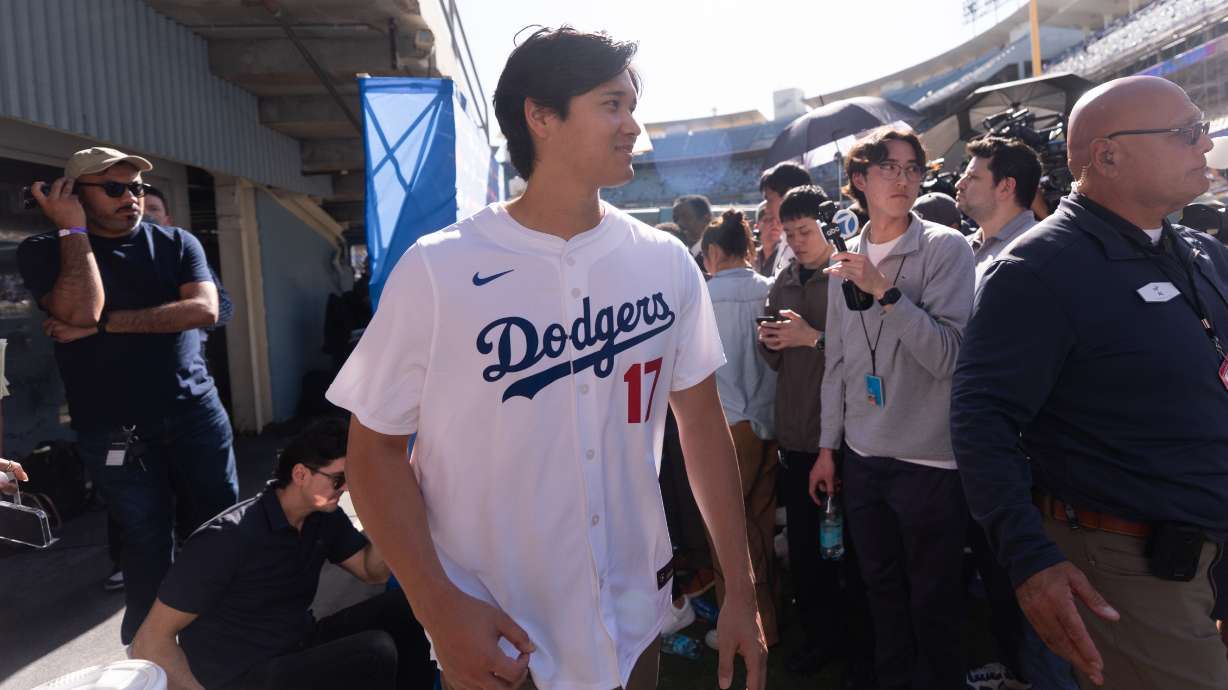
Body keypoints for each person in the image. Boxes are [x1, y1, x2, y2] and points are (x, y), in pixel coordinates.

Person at [326, 27, 767, 690]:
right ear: (541, 116)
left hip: (633, 618)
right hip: (498, 634)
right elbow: (373, 453)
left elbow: (700, 425)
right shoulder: (439, 268)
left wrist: (741, 586)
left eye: (632, 104)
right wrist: (438, 607)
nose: (633, 125)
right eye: (611, 104)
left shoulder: (664, 262)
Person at [952, 75, 1228, 690]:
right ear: (1107, 156)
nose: (1203, 146)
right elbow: (981, 417)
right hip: (1132, 562)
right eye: (1187, 134)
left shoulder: (1199, 252)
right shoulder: (1037, 268)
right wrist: (1029, 559)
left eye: (1202, 130)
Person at [17, 147, 239, 644]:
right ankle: (151, 650)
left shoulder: (178, 243)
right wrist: (73, 231)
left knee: (218, 526)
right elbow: (78, 310)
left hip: (194, 414)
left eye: (136, 188)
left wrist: (105, 326)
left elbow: (204, 310)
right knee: (145, 541)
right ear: (74, 194)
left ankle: (226, 632)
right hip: (112, 427)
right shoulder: (44, 248)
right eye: (115, 189)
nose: (132, 198)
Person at [810, 127, 975, 690]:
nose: (903, 180)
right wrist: (828, 449)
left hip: (929, 461)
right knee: (880, 591)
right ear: (860, 179)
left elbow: (949, 357)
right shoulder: (845, 258)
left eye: (912, 169)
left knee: (934, 600)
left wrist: (885, 290)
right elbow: (837, 363)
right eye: (888, 168)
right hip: (861, 455)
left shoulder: (945, 247)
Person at [131, 418, 433, 690]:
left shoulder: (322, 517)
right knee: (374, 652)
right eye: (339, 480)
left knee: (411, 607)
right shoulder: (227, 538)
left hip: (295, 645)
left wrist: (391, 505)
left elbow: (372, 571)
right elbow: (149, 641)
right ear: (300, 474)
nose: (346, 489)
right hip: (241, 675)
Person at [952, 135, 1078, 689]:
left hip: (1031, 453)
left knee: (1035, 578)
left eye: (973, 174)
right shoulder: (969, 250)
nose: (960, 181)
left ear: (1006, 186)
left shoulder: (1040, 254)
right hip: (990, 448)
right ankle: (1018, 671)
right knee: (1002, 574)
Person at [759, 185, 873, 685]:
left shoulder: (850, 278)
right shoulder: (782, 281)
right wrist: (771, 341)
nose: (798, 241)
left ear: (825, 228)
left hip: (844, 440)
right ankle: (820, 640)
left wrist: (812, 338)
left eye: (805, 231)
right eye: (789, 233)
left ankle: (858, 648)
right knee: (806, 554)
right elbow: (776, 360)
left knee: (850, 554)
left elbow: (870, 354)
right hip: (796, 439)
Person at [699, 209, 779, 651]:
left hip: (730, 426)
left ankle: (748, 626)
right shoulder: (769, 289)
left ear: (713, 252)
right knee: (759, 524)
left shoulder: (703, 295)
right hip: (770, 422)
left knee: (726, 534)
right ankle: (770, 622)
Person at [954, 137, 1042, 284]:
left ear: (1006, 187)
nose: (959, 184)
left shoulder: (1038, 250)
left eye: (972, 177)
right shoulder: (960, 247)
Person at [759, 162, 813, 277]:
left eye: (769, 200)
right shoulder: (785, 237)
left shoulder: (811, 242)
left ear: (788, 195)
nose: (766, 208)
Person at [672, 194, 713, 270]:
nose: (679, 223)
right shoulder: (676, 256)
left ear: (706, 219)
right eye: (675, 218)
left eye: (686, 217)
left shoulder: (716, 257)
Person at [753, 200, 782, 277]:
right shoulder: (752, 257)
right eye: (769, 219)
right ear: (757, 226)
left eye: (779, 220)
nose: (775, 224)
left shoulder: (787, 256)